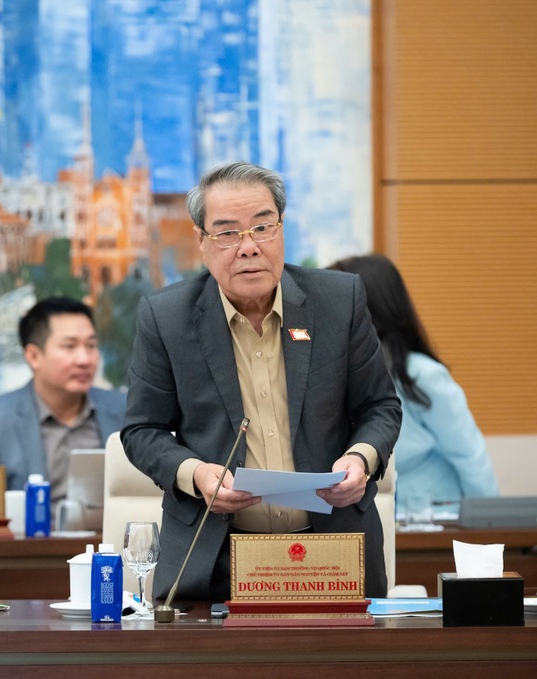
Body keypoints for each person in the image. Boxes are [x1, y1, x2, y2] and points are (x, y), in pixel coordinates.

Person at [121, 161, 401, 601]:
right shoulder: (166, 317)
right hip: (214, 557)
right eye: (227, 233)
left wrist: (360, 458)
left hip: (333, 549)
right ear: (201, 241)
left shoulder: (338, 300)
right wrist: (196, 474)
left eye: (262, 228)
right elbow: (141, 430)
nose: (248, 247)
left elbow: (379, 406)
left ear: (281, 228)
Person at [328, 254, 498, 515]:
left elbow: (469, 454)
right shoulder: (336, 371)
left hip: (436, 513)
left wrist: (489, 522)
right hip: (374, 509)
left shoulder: (422, 374)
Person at [0, 297, 127, 503]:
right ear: (33, 356)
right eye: (69, 346)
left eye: (91, 345)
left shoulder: (126, 411)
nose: (84, 359)